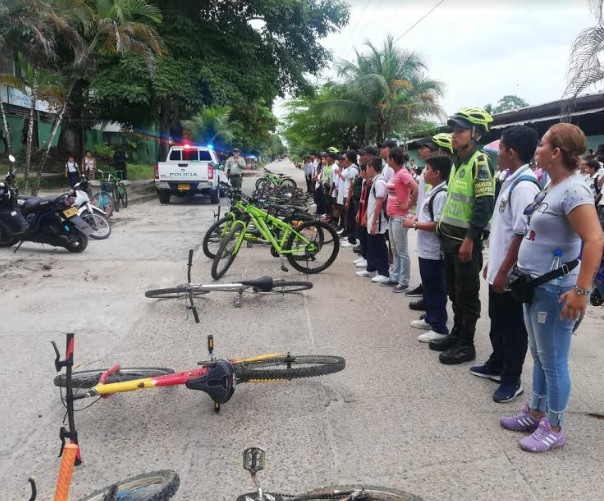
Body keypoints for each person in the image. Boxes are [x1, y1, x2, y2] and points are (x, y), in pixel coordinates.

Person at [501, 123, 604, 453]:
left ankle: (555, 426)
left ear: (557, 151)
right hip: (535, 287)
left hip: (556, 289)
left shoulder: (575, 191)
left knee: (554, 360)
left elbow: (595, 239)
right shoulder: (552, 185)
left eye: (543, 144)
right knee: (540, 354)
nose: (538, 149)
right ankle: (535, 410)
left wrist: (582, 291)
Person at [470, 125, 541, 403]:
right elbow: (505, 229)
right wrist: (493, 262)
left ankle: (511, 379)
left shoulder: (524, 186)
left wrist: (503, 270)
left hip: (511, 274)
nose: (496, 154)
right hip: (500, 267)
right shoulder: (511, 179)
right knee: (498, 321)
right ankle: (497, 364)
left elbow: (522, 234)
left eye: (499, 149)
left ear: (511, 152)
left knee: (513, 328)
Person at [430, 107, 495, 364]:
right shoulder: (458, 160)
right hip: (449, 238)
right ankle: (456, 335)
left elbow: (483, 203)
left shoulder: (480, 161)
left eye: (460, 131)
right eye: (453, 131)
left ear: (476, 134)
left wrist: (471, 238)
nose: (454, 136)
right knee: (454, 292)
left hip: (465, 242)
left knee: (467, 294)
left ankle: (466, 345)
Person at [403, 155, 451, 342]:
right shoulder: (433, 191)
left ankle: (439, 327)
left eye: (428, 169)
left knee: (436, 288)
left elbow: (438, 224)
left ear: (437, 173)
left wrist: (414, 225)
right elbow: (427, 216)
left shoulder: (441, 194)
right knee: (429, 287)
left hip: (434, 251)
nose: (424, 172)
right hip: (425, 249)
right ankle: (431, 318)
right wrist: (416, 219)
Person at [407, 133, 454, 309]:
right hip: (424, 221)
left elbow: (438, 219)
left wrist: (415, 223)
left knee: (436, 280)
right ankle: (429, 304)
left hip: (433, 238)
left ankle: (435, 313)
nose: (420, 151)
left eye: (424, 148)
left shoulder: (441, 182)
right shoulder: (430, 178)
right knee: (429, 276)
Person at [383, 146, 418, 292]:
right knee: (395, 249)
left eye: (388, 158)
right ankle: (395, 277)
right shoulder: (395, 173)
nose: (387, 160)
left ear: (392, 159)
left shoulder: (403, 174)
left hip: (399, 216)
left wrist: (408, 205)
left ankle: (403, 281)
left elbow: (415, 188)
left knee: (402, 250)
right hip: (393, 216)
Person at [356, 156, 389, 282]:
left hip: (378, 220)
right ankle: (371, 269)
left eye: (368, 167)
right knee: (372, 245)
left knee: (379, 246)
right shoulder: (373, 181)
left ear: (372, 168)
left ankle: (383, 272)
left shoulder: (380, 182)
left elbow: (379, 203)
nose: (366, 170)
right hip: (372, 218)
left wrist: (374, 221)